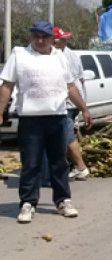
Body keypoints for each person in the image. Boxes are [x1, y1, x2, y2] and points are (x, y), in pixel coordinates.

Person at [0, 21, 92, 223]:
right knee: (31, 163)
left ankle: (63, 200)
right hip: (30, 120)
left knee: (58, 161)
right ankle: (28, 203)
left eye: (44, 37)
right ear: (30, 37)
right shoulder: (19, 55)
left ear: (52, 39)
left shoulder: (60, 58)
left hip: (56, 117)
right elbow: (7, 85)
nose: (40, 40)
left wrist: (84, 109)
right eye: (36, 36)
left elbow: (71, 87)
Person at [51, 27, 89, 180]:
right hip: (73, 101)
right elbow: (80, 79)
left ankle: (80, 167)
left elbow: (70, 83)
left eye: (64, 38)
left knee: (66, 136)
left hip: (67, 102)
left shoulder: (59, 56)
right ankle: (67, 165)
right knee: (63, 135)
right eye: (63, 38)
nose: (65, 40)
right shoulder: (72, 54)